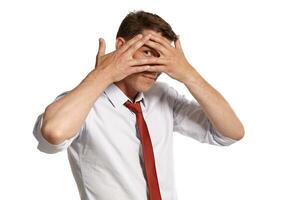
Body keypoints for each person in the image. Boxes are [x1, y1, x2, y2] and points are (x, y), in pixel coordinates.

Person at [33, 10, 244, 200]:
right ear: (121, 47)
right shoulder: (83, 104)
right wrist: (104, 73)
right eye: (148, 52)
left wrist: (188, 74)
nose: (154, 66)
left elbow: (231, 132)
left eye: (162, 56)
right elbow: (53, 133)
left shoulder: (162, 95)